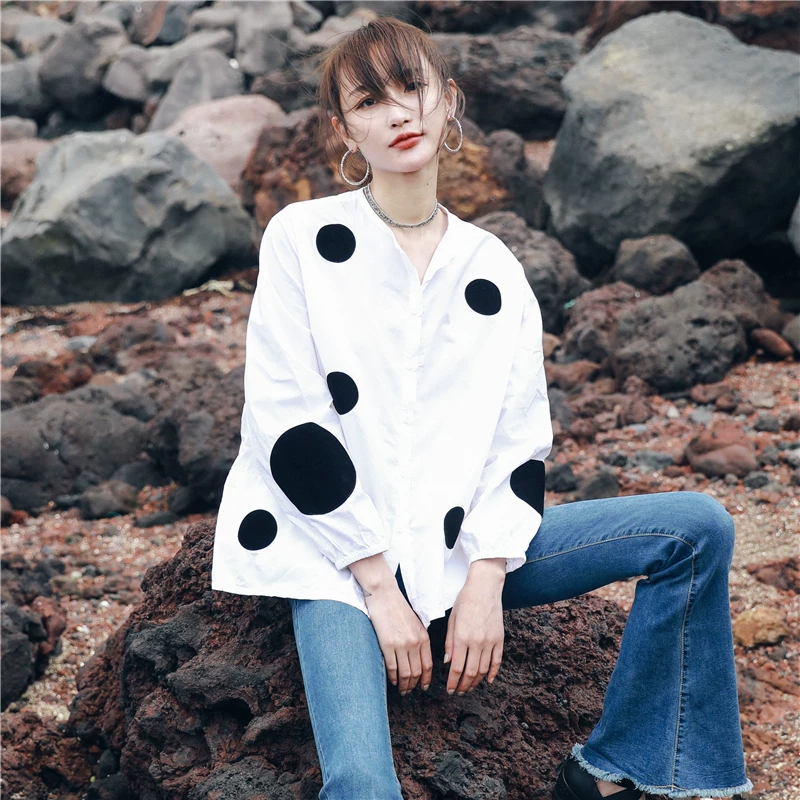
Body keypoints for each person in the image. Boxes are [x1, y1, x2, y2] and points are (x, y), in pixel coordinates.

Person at [211, 15, 753, 800]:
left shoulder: (493, 266)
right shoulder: (302, 238)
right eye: (369, 101)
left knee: (695, 529)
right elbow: (287, 424)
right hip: (335, 562)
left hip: (458, 547)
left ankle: (617, 771)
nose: (399, 113)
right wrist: (380, 592)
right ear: (343, 131)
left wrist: (486, 578)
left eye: (413, 88)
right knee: (363, 783)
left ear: (448, 99)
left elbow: (518, 442)